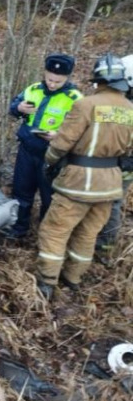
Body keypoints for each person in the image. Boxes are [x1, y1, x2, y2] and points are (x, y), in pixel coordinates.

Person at [35, 53, 133, 300]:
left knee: (55, 230)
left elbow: (61, 143)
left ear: (98, 81)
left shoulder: (86, 105)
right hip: (110, 184)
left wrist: (49, 163)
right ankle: (73, 278)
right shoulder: (130, 110)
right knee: (88, 233)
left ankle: (47, 282)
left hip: (79, 182)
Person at [5, 54, 83, 239]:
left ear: (67, 78)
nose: (52, 84)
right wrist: (19, 108)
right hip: (27, 150)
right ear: (45, 73)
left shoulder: (75, 99)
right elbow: (13, 106)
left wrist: (59, 136)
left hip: (53, 155)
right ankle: (18, 229)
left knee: (49, 197)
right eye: (49, 79)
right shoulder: (33, 89)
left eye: (58, 81)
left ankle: (45, 235)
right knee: (21, 192)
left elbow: (82, 131)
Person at [94, 53, 133, 264]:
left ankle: (105, 244)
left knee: (112, 202)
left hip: (123, 164)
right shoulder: (125, 103)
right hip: (113, 161)